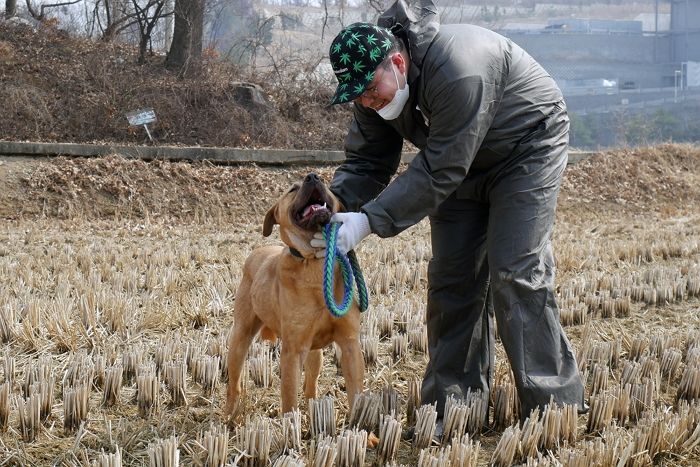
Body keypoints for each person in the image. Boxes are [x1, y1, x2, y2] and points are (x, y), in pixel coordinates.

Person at [311, 0, 587, 425]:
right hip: (459, 161)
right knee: (452, 277)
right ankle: (455, 405)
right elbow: (367, 163)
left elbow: (442, 167)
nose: (367, 102)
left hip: (525, 147)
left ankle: (555, 407)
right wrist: (333, 210)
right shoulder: (373, 93)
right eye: (357, 96)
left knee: (515, 269)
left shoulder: (459, 69)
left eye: (370, 90)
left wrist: (368, 222)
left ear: (398, 63)